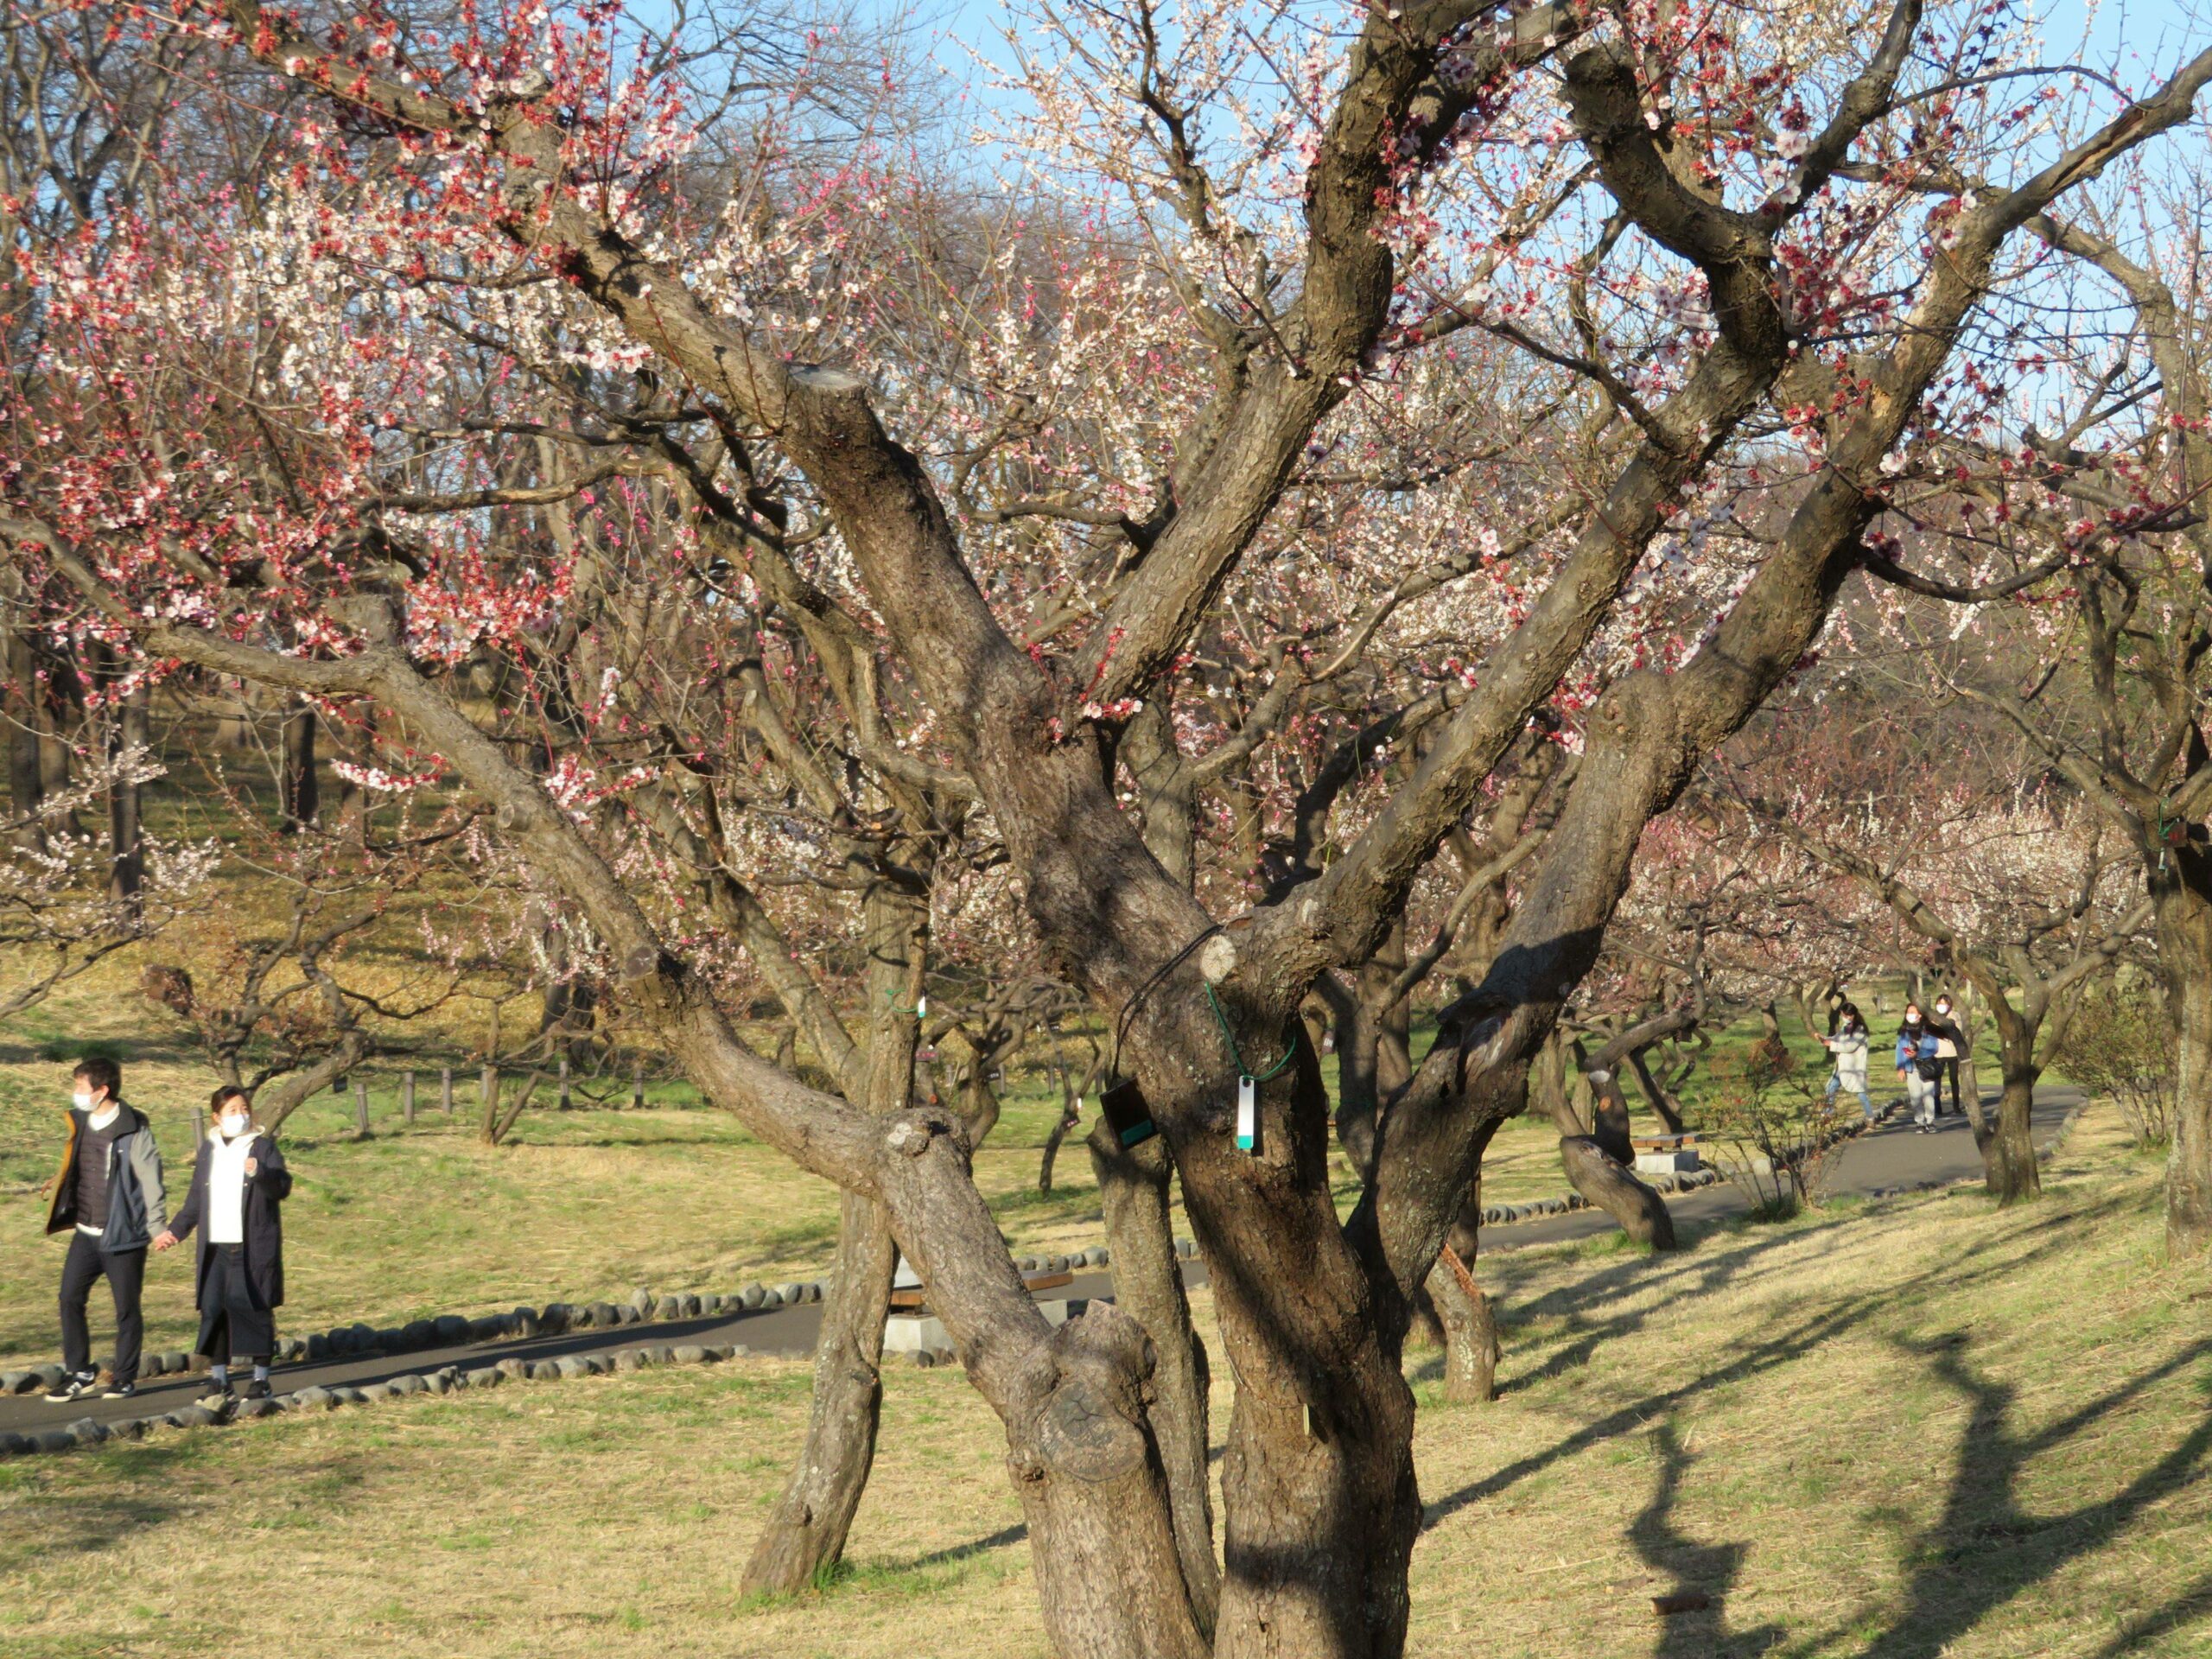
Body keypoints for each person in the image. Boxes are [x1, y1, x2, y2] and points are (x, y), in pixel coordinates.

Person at [156, 1086, 291, 1406]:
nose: (240, 1115)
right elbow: (195, 1200)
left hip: (251, 1247)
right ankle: (219, 1380)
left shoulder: (262, 1147)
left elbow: (281, 1187)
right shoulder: (209, 1150)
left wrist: (260, 1172)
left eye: (244, 1108)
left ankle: (261, 1381)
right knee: (213, 1311)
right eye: (231, 1110)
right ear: (216, 1117)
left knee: (255, 1310)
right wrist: (174, 1231)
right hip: (216, 1246)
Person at [41, 1056, 166, 1403]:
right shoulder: (80, 1121)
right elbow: (80, 1164)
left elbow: (151, 1180)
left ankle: (124, 1377)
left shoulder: (133, 1128)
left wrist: (157, 1227)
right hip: (85, 1232)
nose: (76, 1093)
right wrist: (60, 1183)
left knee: (126, 1308)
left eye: (81, 1086)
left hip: (123, 1237)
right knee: (69, 1298)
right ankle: (79, 1371)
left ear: (102, 1090)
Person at [1822, 1003, 1877, 1124]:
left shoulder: (1860, 1029)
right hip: (1842, 1067)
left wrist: (1830, 1045)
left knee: (1860, 1093)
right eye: (1843, 1015)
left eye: (1846, 1015)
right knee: (1830, 1088)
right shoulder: (1845, 1027)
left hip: (1854, 1068)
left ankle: (1870, 1117)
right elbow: (1837, 1038)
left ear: (1852, 1015)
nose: (1844, 1017)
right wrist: (1824, 1039)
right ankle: (1827, 1114)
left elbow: (1850, 1047)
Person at [1896, 1003, 1943, 1134]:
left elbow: (1934, 1047)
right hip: (1911, 1068)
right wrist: (1900, 1067)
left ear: (1920, 1014)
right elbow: (1899, 1050)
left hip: (1927, 1067)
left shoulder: (1929, 1029)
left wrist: (1919, 1053)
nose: (1910, 1014)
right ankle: (1920, 1122)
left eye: (1914, 1012)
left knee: (1928, 1096)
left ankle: (1930, 1121)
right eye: (1909, 1012)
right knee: (1915, 1097)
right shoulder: (1904, 1031)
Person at [1928, 994, 1968, 1118]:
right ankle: (1937, 1106)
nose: (1942, 1006)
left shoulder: (1955, 1016)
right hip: (1938, 1053)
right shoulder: (1933, 1017)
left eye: (1944, 1003)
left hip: (1952, 1053)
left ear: (1950, 1004)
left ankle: (1956, 1106)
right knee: (1937, 1081)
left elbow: (1957, 1031)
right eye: (1940, 1003)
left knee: (1954, 1080)